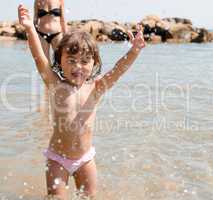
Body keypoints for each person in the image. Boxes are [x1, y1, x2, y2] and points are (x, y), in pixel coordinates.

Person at [18, 4, 145, 199]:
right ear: (60, 61)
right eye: (71, 60)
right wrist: (29, 28)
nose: (78, 66)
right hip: (57, 159)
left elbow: (119, 70)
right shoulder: (55, 84)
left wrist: (134, 51)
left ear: (94, 63)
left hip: (85, 160)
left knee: (90, 197)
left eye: (85, 61)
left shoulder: (96, 88)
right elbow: (39, 59)